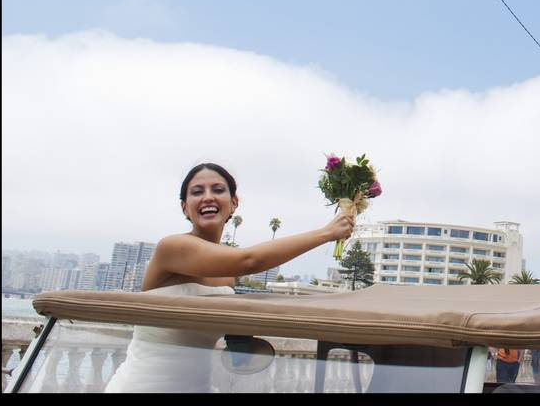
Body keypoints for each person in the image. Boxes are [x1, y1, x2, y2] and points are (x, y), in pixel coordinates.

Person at [104, 162, 354, 392]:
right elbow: (249, 261)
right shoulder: (172, 247)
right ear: (184, 207)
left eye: (218, 189)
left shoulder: (225, 276)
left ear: (233, 203)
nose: (208, 196)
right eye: (197, 192)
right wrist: (327, 233)